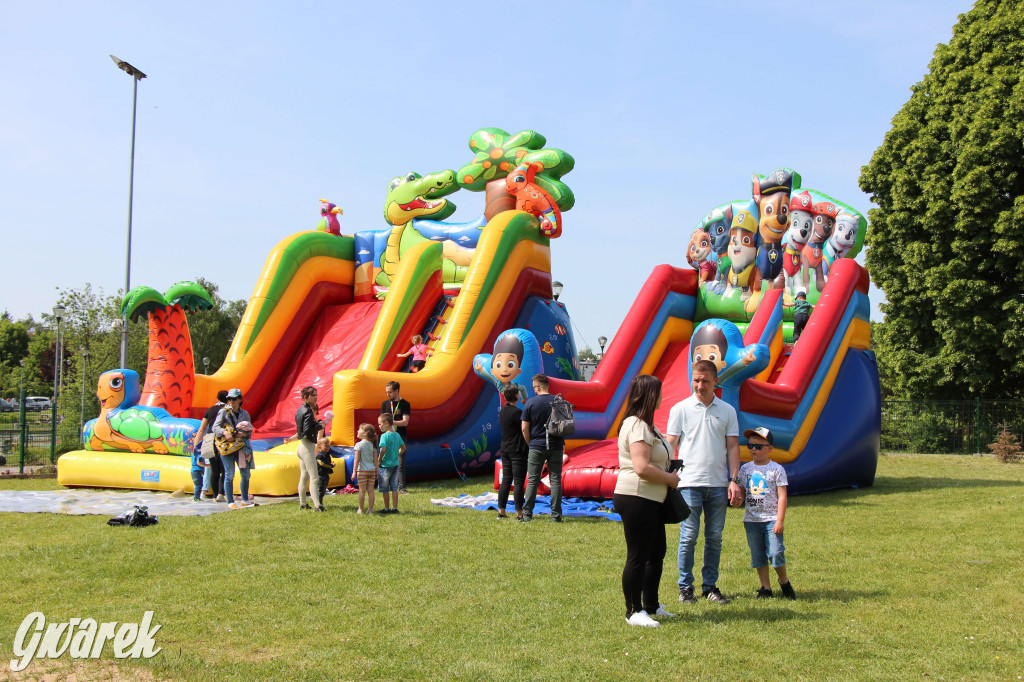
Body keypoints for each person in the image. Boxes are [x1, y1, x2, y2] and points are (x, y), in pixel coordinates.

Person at [665, 359, 743, 604]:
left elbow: (732, 447)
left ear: (715, 382)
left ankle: (710, 587)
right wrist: (666, 476)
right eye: (696, 380)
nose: (699, 385)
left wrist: (733, 479)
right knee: (688, 536)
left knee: (715, 538)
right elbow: (670, 445)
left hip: (719, 484)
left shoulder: (727, 411)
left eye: (705, 381)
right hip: (689, 483)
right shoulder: (680, 409)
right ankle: (685, 588)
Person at [614, 374, 683, 627]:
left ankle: (651, 605)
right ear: (650, 395)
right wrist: (668, 478)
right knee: (639, 555)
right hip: (637, 496)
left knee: (656, 552)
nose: (662, 397)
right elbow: (641, 467)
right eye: (659, 392)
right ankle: (633, 611)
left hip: (650, 498)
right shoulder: (637, 425)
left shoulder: (647, 425)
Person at [739, 426, 795, 600]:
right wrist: (736, 500)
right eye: (750, 445)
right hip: (752, 520)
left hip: (771, 519)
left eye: (758, 446)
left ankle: (784, 582)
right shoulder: (745, 469)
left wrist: (779, 521)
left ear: (769, 449)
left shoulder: (776, 469)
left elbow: (782, 496)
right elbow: (741, 493)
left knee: (776, 553)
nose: (753, 449)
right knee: (758, 556)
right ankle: (765, 588)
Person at [520, 374, 564, 523]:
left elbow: (524, 428)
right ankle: (556, 515)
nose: (533, 389)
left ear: (538, 387)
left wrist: (530, 443)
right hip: (556, 445)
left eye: (533, 387)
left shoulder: (531, 403)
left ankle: (527, 515)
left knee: (532, 480)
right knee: (556, 480)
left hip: (536, 445)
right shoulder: (558, 402)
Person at [212, 389, 255, 510]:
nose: (232, 402)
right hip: (228, 447)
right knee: (229, 474)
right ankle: (230, 501)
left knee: (246, 474)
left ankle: (245, 499)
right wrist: (225, 432)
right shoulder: (223, 412)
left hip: (242, 447)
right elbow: (215, 427)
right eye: (230, 399)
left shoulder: (245, 414)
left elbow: (250, 431)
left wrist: (244, 434)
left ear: (240, 399)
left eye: (234, 399)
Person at [289, 385, 325, 512]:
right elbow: (307, 431)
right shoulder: (308, 411)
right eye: (313, 395)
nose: (315, 397)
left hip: (301, 446)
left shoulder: (300, 410)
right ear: (306, 397)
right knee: (314, 477)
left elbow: (301, 431)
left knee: (304, 476)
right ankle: (317, 505)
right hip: (307, 447)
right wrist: (319, 426)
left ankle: (303, 503)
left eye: (316, 395)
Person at [497, 384, 529, 521]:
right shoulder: (517, 413)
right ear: (516, 396)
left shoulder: (502, 412)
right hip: (517, 450)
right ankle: (519, 513)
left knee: (506, 480)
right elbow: (525, 428)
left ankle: (502, 511)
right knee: (519, 481)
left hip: (505, 449)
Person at [195, 390, 228, 500]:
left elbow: (202, 429)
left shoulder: (210, 410)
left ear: (217, 399)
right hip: (224, 439)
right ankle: (221, 493)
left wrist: (196, 445)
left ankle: (215, 496)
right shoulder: (229, 410)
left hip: (210, 439)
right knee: (225, 469)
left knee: (214, 469)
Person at [382, 381, 411, 493]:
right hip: (387, 436)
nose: (387, 395)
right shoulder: (385, 404)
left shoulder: (405, 404)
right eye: (386, 392)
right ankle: (387, 485)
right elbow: (381, 420)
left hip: (400, 437)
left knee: (400, 461)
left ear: (396, 391)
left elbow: (405, 422)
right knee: (386, 461)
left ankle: (401, 487)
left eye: (390, 392)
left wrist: (391, 422)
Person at [376, 413, 404, 514]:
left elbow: (383, 449)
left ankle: (387, 508)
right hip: (395, 464)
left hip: (385, 465)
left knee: (385, 488)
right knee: (394, 488)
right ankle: (395, 508)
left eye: (380, 424)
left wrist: (379, 459)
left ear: (386, 423)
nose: (379, 426)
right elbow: (403, 447)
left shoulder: (384, 436)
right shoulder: (397, 434)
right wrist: (397, 454)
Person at [353, 423, 377, 514]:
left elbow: (357, 459)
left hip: (362, 470)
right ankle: (370, 510)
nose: (357, 431)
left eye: (359, 430)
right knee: (371, 491)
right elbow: (375, 459)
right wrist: (376, 471)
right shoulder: (372, 445)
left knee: (362, 491)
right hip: (371, 470)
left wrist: (354, 472)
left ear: (365, 433)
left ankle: (360, 509)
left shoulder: (359, 445)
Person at [314, 436, 335, 503]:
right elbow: (321, 464)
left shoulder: (327, 454)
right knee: (321, 489)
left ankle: (320, 500)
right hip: (321, 474)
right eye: (325, 446)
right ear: (319, 447)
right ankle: (319, 503)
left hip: (325, 474)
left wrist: (331, 463)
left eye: (328, 446)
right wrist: (330, 466)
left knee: (324, 487)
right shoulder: (319, 455)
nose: (328, 447)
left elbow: (327, 462)